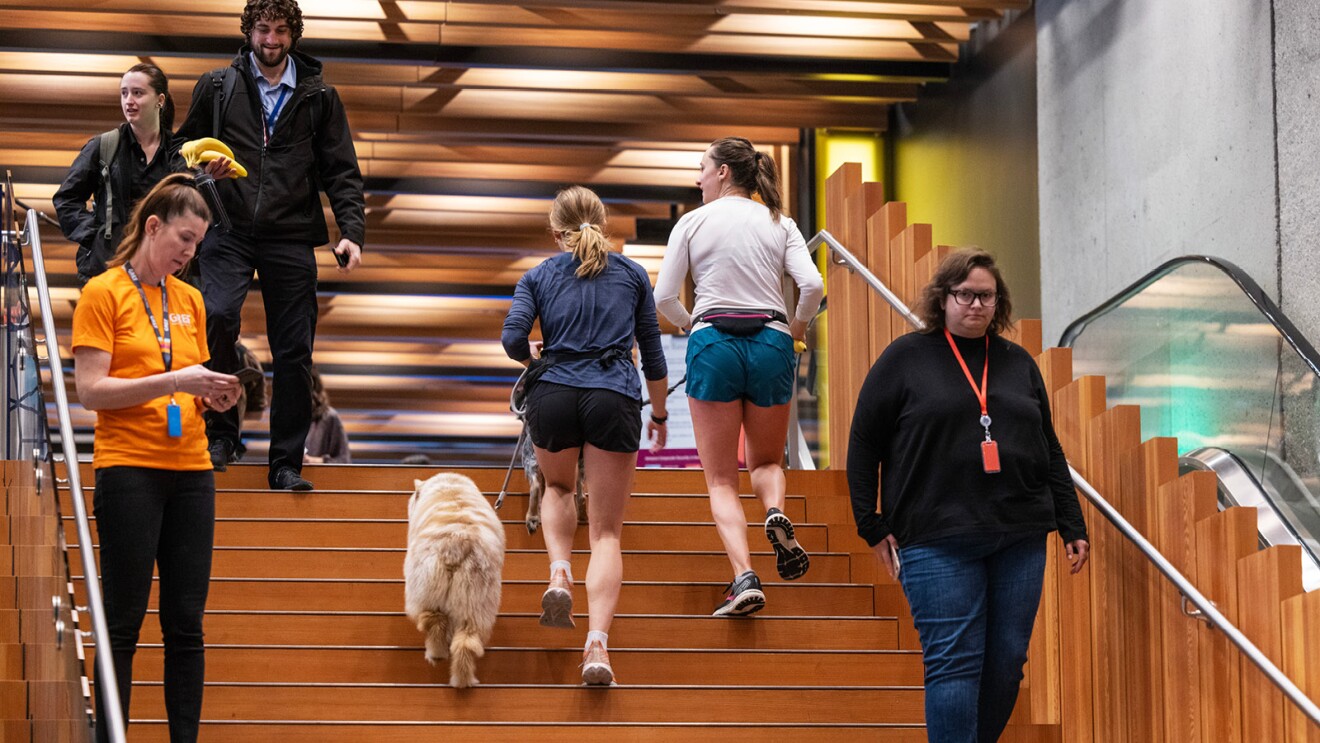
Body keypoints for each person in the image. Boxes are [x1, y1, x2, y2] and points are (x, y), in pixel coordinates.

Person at [846, 249, 1090, 743]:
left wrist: (1072, 523)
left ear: (997, 302)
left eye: (986, 296)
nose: (975, 305)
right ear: (944, 298)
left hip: (1019, 534)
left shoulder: (1017, 363)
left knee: (1006, 666)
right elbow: (863, 441)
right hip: (936, 538)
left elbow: (1048, 446)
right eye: (965, 295)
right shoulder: (906, 358)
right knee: (955, 666)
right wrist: (868, 522)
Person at [71, 174, 241, 742]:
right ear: (153, 226)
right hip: (128, 470)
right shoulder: (103, 293)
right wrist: (175, 377)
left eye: (198, 245)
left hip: (191, 471)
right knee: (122, 623)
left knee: (185, 626)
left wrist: (211, 392)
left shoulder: (188, 299)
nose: (191, 253)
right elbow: (91, 391)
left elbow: (186, 381)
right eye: (185, 239)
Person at [176, 0, 366, 491]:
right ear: (249, 31)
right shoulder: (218, 86)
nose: (272, 39)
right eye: (263, 29)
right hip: (226, 227)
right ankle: (220, 434)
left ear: (293, 34)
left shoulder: (319, 96)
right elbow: (182, 153)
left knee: (294, 351)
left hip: (291, 233)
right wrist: (200, 172)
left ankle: (285, 464)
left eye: (281, 30)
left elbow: (341, 171)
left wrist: (351, 232)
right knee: (215, 317)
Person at [501, 185, 669, 686]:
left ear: (555, 232)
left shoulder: (538, 275)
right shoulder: (633, 275)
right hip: (613, 395)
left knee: (556, 489)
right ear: (603, 222)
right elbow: (654, 357)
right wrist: (658, 414)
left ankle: (558, 572)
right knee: (606, 533)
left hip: (553, 392)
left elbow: (511, 338)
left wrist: (535, 360)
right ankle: (597, 647)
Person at [653, 136, 824, 616]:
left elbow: (663, 298)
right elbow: (811, 285)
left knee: (722, 478)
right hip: (771, 340)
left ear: (723, 172)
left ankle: (744, 576)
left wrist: (693, 326)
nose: (697, 177)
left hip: (714, 341)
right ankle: (774, 511)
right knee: (767, 462)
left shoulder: (691, 222)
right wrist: (796, 327)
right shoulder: (779, 221)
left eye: (701, 167)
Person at [54, 63, 231, 285]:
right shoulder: (104, 146)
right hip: (109, 268)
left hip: (167, 273)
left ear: (160, 100)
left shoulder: (183, 153)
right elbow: (66, 199)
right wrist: (96, 236)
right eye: (124, 93)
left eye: (138, 93)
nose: (129, 100)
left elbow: (195, 212)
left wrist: (207, 181)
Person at [304, 366, 350, 463]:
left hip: (320, 477)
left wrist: (317, 461)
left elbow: (344, 460)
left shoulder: (329, 417)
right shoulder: (287, 418)